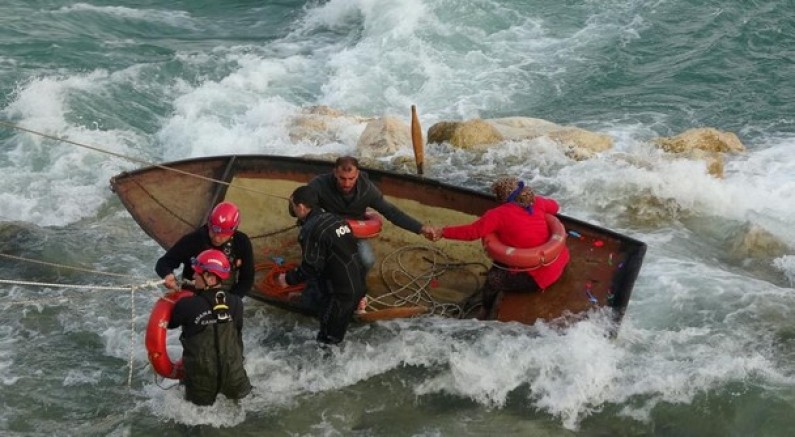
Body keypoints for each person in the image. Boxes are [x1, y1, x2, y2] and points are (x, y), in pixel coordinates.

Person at [427, 177, 570, 319]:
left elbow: (472, 232)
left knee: (493, 280)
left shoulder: (497, 215)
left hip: (537, 278)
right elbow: (555, 207)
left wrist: (443, 232)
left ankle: (484, 310)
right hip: (557, 262)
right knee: (504, 262)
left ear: (501, 198)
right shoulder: (537, 201)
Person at [308, 156, 435, 275]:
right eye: (342, 178)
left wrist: (421, 228)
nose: (347, 184)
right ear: (335, 173)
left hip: (354, 232)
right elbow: (302, 205)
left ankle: (357, 283)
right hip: (326, 230)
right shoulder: (319, 184)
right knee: (320, 261)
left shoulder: (368, 190)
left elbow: (392, 213)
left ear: (357, 174)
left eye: (351, 179)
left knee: (367, 260)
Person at [277, 185, 366, 345]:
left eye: (293, 206)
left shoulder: (311, 230)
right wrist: (362, 293)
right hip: (358, 286)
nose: (292, 209)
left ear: (301, 207)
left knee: (326, 342)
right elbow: (355, 256)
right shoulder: (338, 220)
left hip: (340, 296)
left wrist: (288, 279)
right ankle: (311, 300)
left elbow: (311, 268)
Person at [168, 249, 252, 406]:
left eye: (197, 273)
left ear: (210, 278)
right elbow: (237, 335)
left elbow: (170, 323)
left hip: (201, 384)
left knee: (193, 416)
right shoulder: (236, 303)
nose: (193, 276)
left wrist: (172, 296)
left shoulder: (187, 305)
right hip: (234, 378)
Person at [155, 201, 254, 298]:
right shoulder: (192, 240)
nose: (216, 238)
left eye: (223, 235)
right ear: (209, 225)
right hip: (193, 296)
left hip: (225, 296)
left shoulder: (242, 242)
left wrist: (231, 300)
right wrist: (167, 274)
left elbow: (247, 279)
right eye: (213, 232)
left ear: (233, 231)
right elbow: (164, 262)